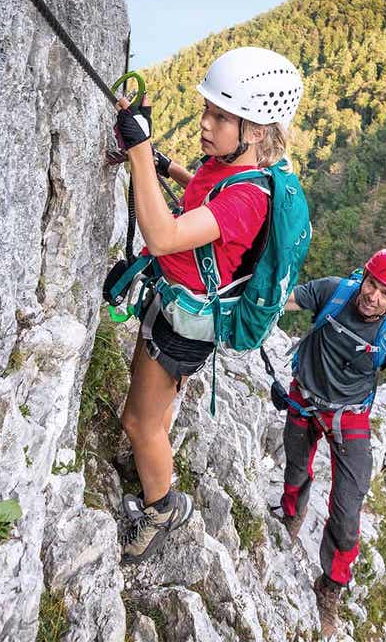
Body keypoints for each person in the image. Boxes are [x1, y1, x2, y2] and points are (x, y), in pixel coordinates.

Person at [110, 46, 304, 564]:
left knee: (137, 422)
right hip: (178, 308)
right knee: (151, 407)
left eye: (221, 116)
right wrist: (163, 164)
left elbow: (163, 232)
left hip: (183, 325)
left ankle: (161, 509)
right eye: (207, 110)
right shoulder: (230, 168)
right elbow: (201, 198)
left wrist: (139, 151)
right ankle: (158, 450)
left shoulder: (246, 199)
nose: (205, 123)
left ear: (257, 130)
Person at [274, 248, 386, 635]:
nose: (373, 296)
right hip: (305, 397)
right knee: (295, 466)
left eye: (385, 292)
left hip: (349, 415)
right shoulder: (334, 293)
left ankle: (330, 587)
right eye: (372, 284)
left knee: (348, 509)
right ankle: (293, 515)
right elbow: (282, 301)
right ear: (363, 277)